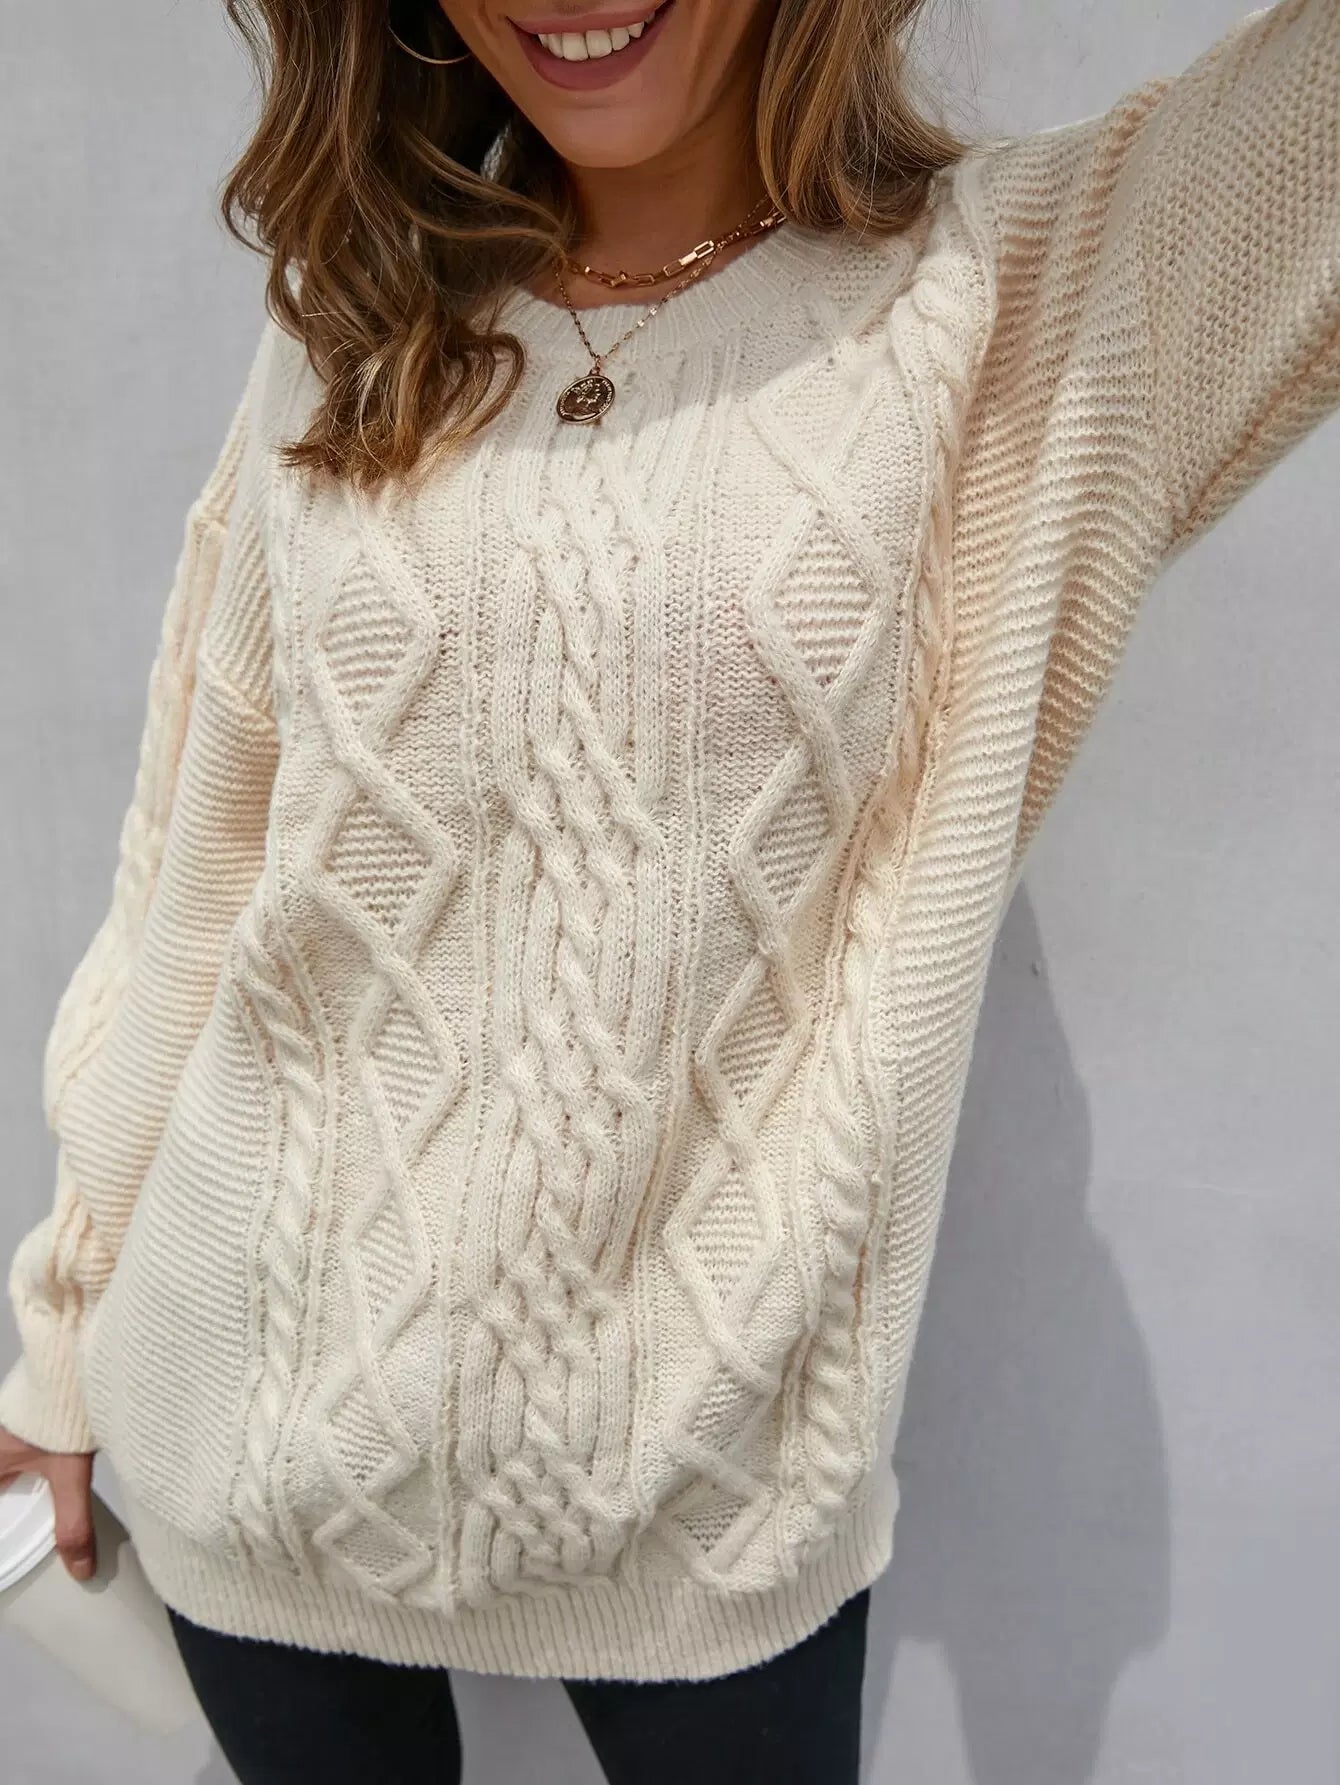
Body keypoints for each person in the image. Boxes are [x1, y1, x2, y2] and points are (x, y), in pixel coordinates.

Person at [1, 0, 1337, 1778]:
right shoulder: (352, 316)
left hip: (713, 1512)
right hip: (242, 1441)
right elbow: (202, 853)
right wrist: (63, 1327)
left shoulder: (1017, 300)